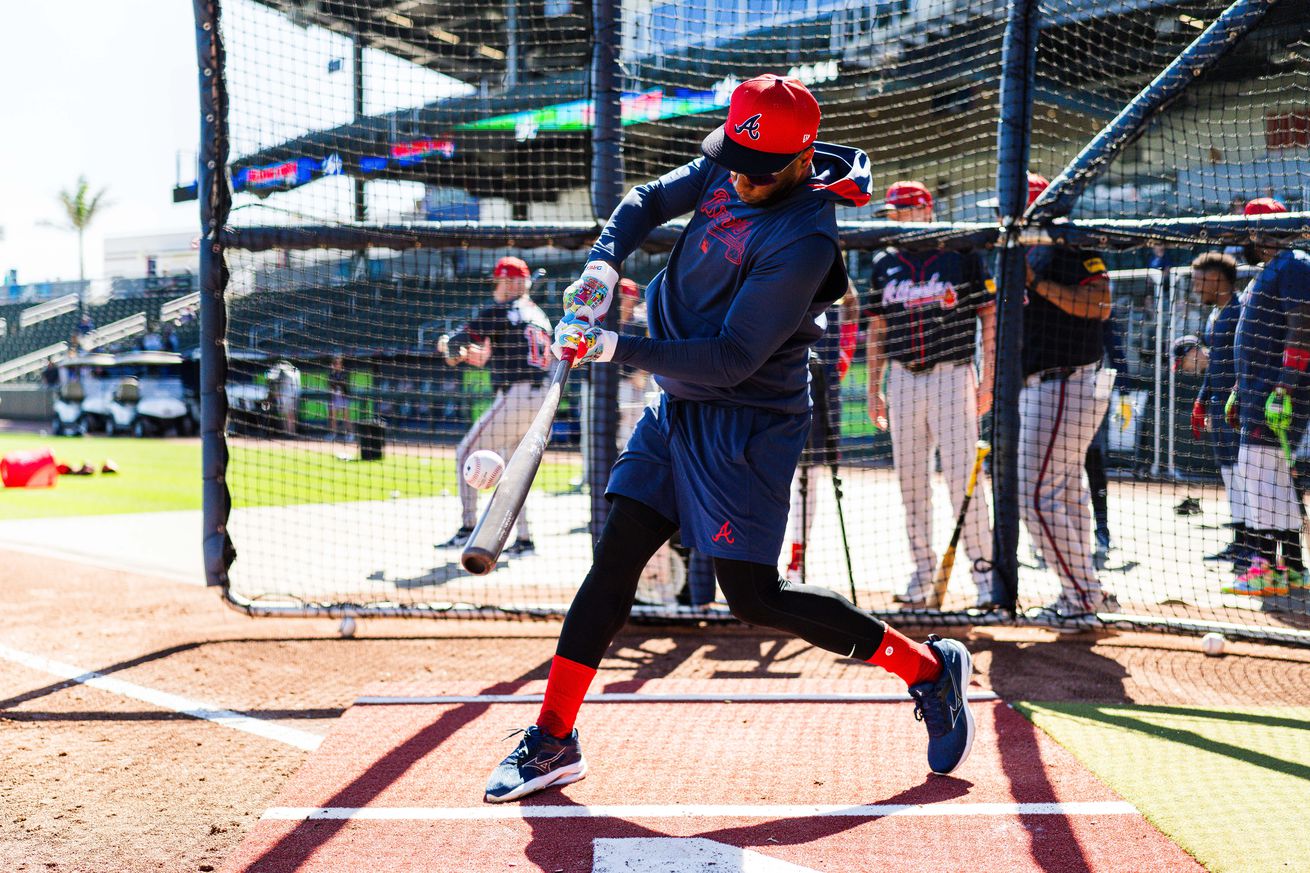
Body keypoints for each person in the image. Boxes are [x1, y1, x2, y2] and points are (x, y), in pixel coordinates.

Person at [483, 74, 975, 805]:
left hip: (747, 417)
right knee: (615, 557)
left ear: (802, 160)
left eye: (760, 170)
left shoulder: (807, 239)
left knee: (752, 596)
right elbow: (646, 200)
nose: (740, 178)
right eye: (735, 161)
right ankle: (554, 736)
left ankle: (928, 670)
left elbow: (730, 357)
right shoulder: (736, 156)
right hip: (674, 402)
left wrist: (613, 346)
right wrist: (602, 260)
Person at [865, 180, 996, 608]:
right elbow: (877, 329)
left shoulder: (961, 254)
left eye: (904, 211)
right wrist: (874, 389)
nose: (897, 219)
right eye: (894, 213)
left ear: (926, 210)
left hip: (952, 374)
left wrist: (988, 377)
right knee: (911, 483)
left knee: (964, 480)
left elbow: (989, 316)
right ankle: (922, 574)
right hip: (902, 378)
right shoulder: (884, 260)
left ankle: (984, 575)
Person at [1018, 172, 1119, 617]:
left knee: (1034, 497)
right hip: (1056, 384)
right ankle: (1085, 589)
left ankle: (1079, 596)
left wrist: (1036, 283)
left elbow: (1102, 304)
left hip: (1067, 381)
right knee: (1065, 493)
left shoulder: (1069, 245)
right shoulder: (1026, 252)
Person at [1221, 197, 1310, 596]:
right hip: (1258, 390)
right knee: (1270, 479)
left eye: (1248, 228)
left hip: (1277, 392)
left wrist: (1284, 386)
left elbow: (1303, 325)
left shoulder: (1292, 263)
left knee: (1258, 478)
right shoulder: (1270, 270)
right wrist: (1241, 387)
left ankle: (1264, 566)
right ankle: (1290, 567)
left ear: (1258, 231)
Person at [438, 256, 553, 555]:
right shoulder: (538, 315)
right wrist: (460, 352)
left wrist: (449, 345)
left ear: (514, 283)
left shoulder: (502, 311)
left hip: (517, 396)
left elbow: (459, 343)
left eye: (500, 281)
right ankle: (525, 539)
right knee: (515, 472)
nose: (496, 288)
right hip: (542, 403)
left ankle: (467, 528)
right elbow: (482, 356)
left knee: (466, 451)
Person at [783, 281, 859, 584]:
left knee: (809, 482)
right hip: (779, 395)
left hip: (818, 400)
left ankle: (796, 559)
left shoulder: (832, 301)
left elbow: (852, 304)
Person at [1190, 252, 1248, 565]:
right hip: (1217, 405)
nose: (1196, 288)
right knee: (1229, 473)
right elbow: (1213, 365)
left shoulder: (1239, 309)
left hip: (1235, 409)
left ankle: (1253, 544)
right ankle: (1239, 542)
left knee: (1244, 474)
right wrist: (1201, 399)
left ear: (1215, 279)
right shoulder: (1215, 314)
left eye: (1199, 281)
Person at [267, 359, 301, 436]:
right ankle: (288, 432)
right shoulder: (279, 371)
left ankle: (291, 432)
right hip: (286, 397)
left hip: (290, 396)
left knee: (290, 415)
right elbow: (271, 378)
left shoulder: (290, 371)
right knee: (286, 415)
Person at [327, 355, 349, 441]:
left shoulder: (343, 373)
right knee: (333, 417)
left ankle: (350, 434)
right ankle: (333, 434)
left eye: (339, 363)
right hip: (334, 398)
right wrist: (334, 388)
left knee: (346, 417)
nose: (337, 365)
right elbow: (330, 385)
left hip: (343, 398)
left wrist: (338, 387)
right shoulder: (332, 374)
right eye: (335, 363)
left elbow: (344, 385)